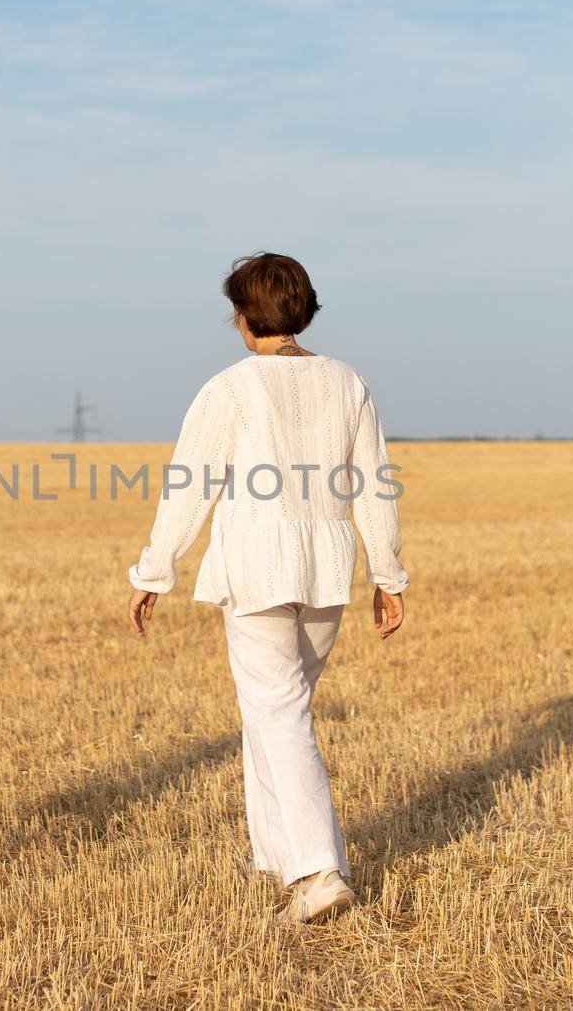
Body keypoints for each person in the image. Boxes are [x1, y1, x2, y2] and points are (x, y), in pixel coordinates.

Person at [127, 252, 408, 924]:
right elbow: (375, 483)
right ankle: (279, 858)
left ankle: (318, 870)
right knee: (274, 713)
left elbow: (187, 486)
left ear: (246, 316)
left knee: (279, 714)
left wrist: (152, 571)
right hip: (326, 573)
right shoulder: (348, 382)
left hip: (257, 570)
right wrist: (388, 575)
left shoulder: (229, 388)